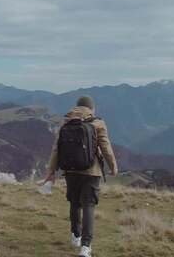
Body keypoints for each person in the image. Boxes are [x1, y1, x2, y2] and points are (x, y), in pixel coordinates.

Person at [43, 95, 118, 257]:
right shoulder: (97, 122)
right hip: (92, 171)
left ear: (77, 107)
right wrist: (113, 167)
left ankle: (75, 236)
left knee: (75, 203)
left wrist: (51, 171)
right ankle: (85, 247)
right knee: (89, 206)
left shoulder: (66, 121)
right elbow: (106, 147)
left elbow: (56, 149)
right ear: (92, 108)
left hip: (70, 171)